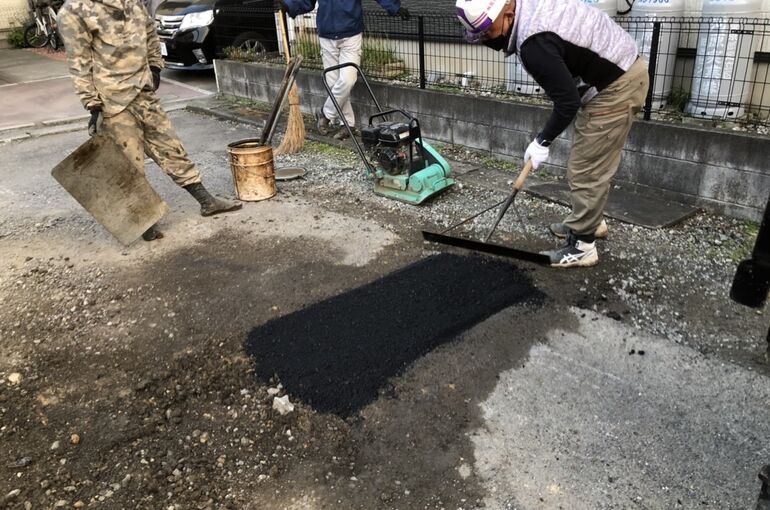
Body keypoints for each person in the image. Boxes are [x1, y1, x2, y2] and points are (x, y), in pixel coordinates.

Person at [456, 0, 649, 268]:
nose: (487, 39)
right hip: (616, 71)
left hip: (618, 84)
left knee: (587, 167)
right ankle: (590, 223)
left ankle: (583, 247)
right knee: (589, 159)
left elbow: (567, 102)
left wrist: (542, 141)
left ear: (507, 13)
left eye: (488, 32)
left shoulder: (533, 43)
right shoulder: (529, 10)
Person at [58, 0, 241, 242]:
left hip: (143, 91)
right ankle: (144, 222)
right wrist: (92, 104)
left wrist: (155, 66)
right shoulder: (74, 11)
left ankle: (206, 201)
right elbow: (79, 63)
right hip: (113, 101)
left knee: (171, 147)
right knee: (128, 163)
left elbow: (150, 33)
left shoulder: (131, 2)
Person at [279, 0, 410, 140]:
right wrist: (289, 5)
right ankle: (347, 125)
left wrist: (394, 7)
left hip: (351, 33)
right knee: (333, 84)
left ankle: (325, 113)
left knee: (347, 80)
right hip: (326, 34)